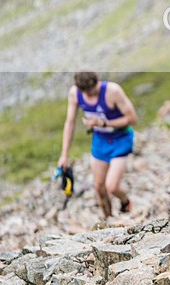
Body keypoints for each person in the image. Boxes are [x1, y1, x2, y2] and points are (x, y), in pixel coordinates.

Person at [58, 71, 139, 219]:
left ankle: (125, 201)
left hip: (121, 140)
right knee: (99, 187)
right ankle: (108, 220)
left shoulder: (113, 91)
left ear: (98, 82)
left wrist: (103, 123)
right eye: (86, 92)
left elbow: (132, 119)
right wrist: (64, 155)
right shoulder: (75, 93)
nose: (89, 95)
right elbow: (70, 122)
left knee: (112, 186)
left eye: (92, 91)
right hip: (100, 141)